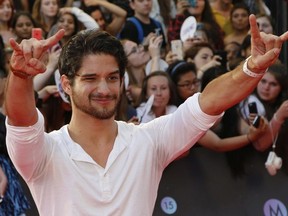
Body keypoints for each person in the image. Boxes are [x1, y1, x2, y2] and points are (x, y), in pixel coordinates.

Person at [4, 14, 288, 215]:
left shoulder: (148, 141)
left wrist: (252, 67)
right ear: (66, 84)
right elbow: (21, 121)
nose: (104, 88)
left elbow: (209, 102)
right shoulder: (45, 152)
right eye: (90, 78)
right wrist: (20, 76)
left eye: (113, 78)